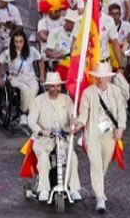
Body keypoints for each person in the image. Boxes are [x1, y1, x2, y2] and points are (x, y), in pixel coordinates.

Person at [74, 63, 126, 214]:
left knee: (104, 164)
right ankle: (100, 196)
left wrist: (120, 128)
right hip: (93, 133)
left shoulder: (116, 92)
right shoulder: (88, 93)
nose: (99, 80)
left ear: (107, 78)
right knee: (96, 164)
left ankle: (98, 187)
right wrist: (78, 124)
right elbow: (83, 115)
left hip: (109, 133)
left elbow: (121, 111)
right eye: (97, 77)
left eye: (101, 77)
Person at [27, 72, 78, 202]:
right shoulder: (38, 100)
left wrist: (73, 124)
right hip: (44, 139)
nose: (56, 89)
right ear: (47, 86)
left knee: (72, 156)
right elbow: (31, 121)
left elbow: (73, 116)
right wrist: (41, 131)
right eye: (53, 87)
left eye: (58, 86)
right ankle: (44, 189)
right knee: (44, 158)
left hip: (62, 138)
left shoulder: (67, 99)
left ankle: (74, 188)